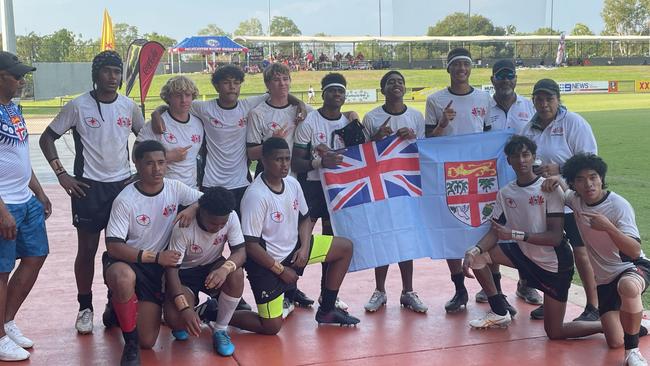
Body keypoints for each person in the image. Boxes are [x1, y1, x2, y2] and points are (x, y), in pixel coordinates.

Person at [39, 50, 145, 334]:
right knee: (86, 250)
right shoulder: (78, 106)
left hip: (122, 188)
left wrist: (138, 172)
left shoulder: (129, 106)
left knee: (121, 251)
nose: (113, 77)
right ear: (96, 74)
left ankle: (115, 302)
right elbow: (47, 137)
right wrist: (62, 174)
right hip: (88, 188)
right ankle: (85, 307)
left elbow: (144, 139)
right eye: (107, 71)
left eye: (116, 71)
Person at [462, 136, 602, 342]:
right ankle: (500, 312)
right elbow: (495, 231)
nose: (521, 160)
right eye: (515, 155)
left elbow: (555, 237)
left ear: (534, 157)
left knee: (555, 333)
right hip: (525, 255)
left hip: (554, 264)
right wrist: (474, 249)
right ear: (508, 161)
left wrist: (515, 235)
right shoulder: (505, 193)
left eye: (526, 154)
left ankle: (610, 324)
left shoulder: (548, 188)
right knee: (477, 258)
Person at [230, 138, 360, 335]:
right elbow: (251, 246)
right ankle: (217, 312)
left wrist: (305, 246)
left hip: (295, 249)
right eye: (278, 159)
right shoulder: (255, 195)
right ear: (263, 161)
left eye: (287, 159)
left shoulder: (292, 183)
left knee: (345, 248)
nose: (284, 164)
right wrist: (281, 270)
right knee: (271, 327)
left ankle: (327, 310)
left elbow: (305, 219)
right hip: (268, 263)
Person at [544, 153, 650, 366]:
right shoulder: (575, 199)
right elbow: (565, 190)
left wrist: (608, 227)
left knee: (628, 286)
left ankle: (633, 354)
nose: (589, 184)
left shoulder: (618, 206)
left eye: (593, 177)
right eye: (581, 180)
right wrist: (557, 180)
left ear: (601, 178)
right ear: (574, 183)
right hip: (604, 280)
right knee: (614, 340)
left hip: (632, 266)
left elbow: (635, 250)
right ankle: (632, 325)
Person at [104, 140, 202, 365]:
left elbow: (207, 198)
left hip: (154, 269)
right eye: (149, 163)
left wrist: (192, 208)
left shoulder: (175, 188)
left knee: (147, 340)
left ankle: (118, 307)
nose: (157, 169)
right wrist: (156, 257)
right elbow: (114, 246)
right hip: (127, 260)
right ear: (137, 164)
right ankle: (129, 345)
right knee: (123, 278)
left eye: (161, 162)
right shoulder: (125, 200)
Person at [521, 78, 600, 321]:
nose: (544, 103)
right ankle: (552, 301)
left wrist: (561, 169)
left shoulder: (573, 122)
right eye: (539, 99)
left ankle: (593, 307)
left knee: (580, 251)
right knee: (548, 254)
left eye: (549, 98)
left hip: (570, 198)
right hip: (542, 202)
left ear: (558, 99)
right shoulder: (528, 129)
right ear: (533, 100)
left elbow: (590, 160)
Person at [424, 48, 494, 313]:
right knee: (451, 228)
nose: (461, 69)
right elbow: (429, 140)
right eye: (456, 65)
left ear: (471, 68)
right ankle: (459, 289)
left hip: (481, 174)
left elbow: (489, 137)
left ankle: (492, 289)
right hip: (448, 174)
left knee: (486, 228)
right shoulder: (435, 100)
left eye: (466, 64)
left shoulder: (484, 98)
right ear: (448, 69)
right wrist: (442, 123)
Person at [360, 70, 428, 313]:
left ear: (405, 88)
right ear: (383, 89)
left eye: (400, 82)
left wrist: (413, 139)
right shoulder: (371, 117)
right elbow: (361, 154)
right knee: (383, 236)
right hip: (380, 184)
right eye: (391, 82)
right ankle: (380, 290)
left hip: (407, 184)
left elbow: (425, 150)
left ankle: (407, 291)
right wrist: (377, 138)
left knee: (405, 237)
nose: (396, 85)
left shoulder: (416, 117)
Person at [292, 72, 359, 311]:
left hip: (338, 191)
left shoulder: (349, 124)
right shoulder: (309, 123)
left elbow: (361, 156)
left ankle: (327, 294)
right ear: (323, 94)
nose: (337, 95)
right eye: (332, 90)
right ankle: (290, 291)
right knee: (302, 241)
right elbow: (295, 163)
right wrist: (320, 163)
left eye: (341, 91)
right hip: (311, 188)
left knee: (332, 243)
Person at [0, 52, 49, 362]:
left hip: (26, 199)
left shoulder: (14, 110)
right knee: (1, 271)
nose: (21, 80)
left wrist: (40, 193)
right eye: (16, 75)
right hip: (4, 203)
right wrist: (2, 211)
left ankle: (6, 322)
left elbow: (21, 159)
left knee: (36, 256)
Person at [483, 59, 542, 306]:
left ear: (516, 79)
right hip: (490, 176)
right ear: (492, 80)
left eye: (510, 75)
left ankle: (526, 283)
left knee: (525, 226)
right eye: (500, 75)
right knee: (492, 226)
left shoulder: (529, 107)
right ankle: (495, 284)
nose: (505, 80)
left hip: (524, 177)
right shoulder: (484, 107)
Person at [164, 187, 246, 357]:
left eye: (221, 224)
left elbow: (240, 252)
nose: (217, 228)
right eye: (212, 223)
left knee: (236, 274)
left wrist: (225, 269)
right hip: (183, 274)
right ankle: (198, 309)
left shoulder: (231, 217)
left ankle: (220, 330)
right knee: (176, 321)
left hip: (211, 267)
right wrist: (185, 308)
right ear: (200, 212)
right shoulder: (184, 227)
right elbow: (171, 272)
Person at [135, 76, 203, 188]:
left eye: (188, 95)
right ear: (168, 98)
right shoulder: (156, 125)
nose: (183, 100)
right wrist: (168, 156)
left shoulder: (198, 123)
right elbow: (135, 156)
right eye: (178, 95)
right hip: (164, 192)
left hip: (191, 190)